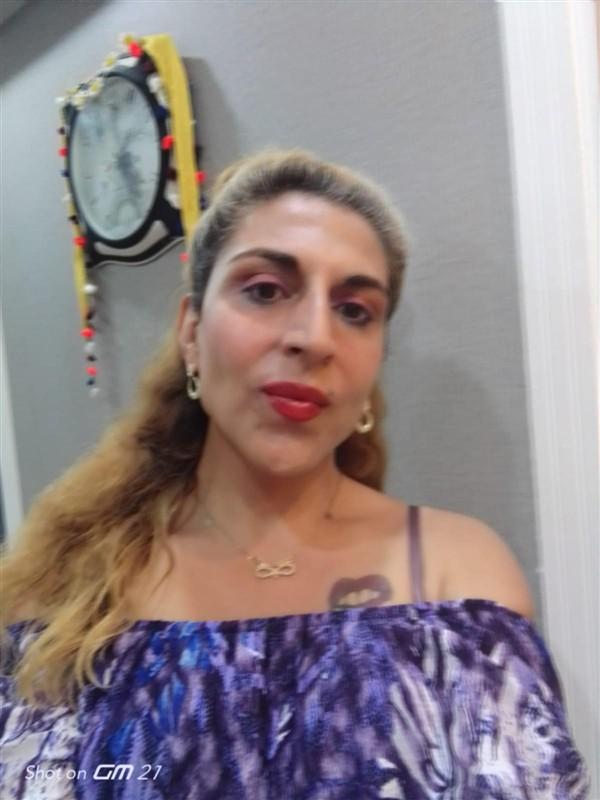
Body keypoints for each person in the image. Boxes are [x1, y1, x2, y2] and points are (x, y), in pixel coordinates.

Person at [0, 148, 589, 799]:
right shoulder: (64, 601)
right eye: (264, 290)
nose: (314, 337)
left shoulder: (462, 582)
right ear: (191, 333)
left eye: (354, 310)